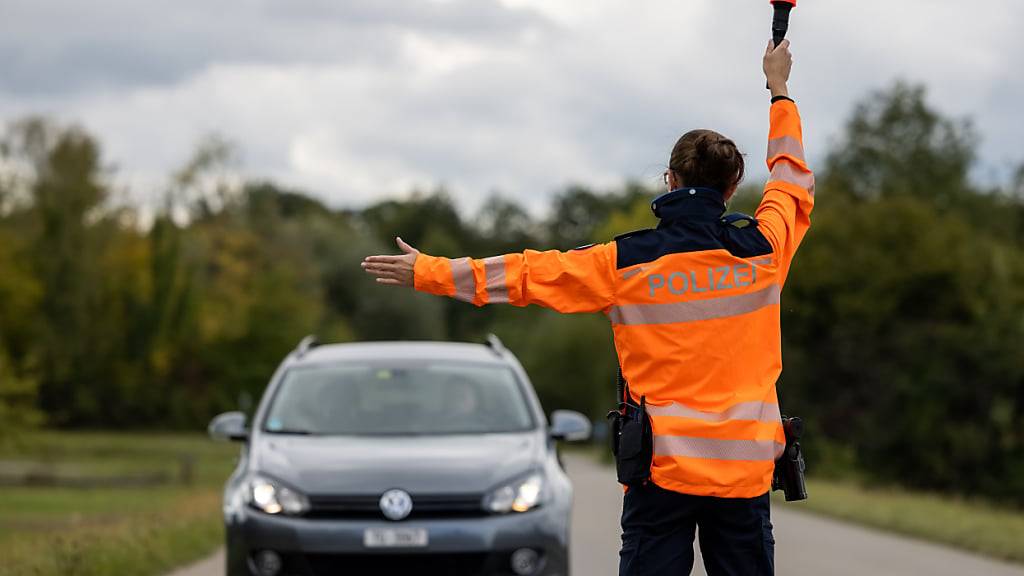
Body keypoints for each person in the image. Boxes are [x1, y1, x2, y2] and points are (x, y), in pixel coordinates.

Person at [362, 39, 811, 576]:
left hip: (660, 477)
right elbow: (790, 178)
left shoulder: (621, 262)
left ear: (670, 182)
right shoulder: (764, 251)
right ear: (732, 188)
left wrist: (429, 272)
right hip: (743, 476)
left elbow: (527, 274)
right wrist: (780, 89)